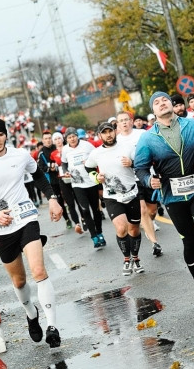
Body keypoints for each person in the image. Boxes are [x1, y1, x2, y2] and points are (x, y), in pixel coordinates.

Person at [0, 117, 65, 348]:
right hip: (0, 228)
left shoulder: (20, 156)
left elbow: (38, 175)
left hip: (26, 218)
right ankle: (31, 314)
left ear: (6, 135)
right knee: (19, 281)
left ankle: (52, 327)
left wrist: (52, 199)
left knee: (39, 270)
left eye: (1, 135)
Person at [135, 91, 194, 305]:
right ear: (153, 110)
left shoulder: (192, 125)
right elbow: (140, 168)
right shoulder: (147, 138)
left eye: (164, 100)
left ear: (171, 104)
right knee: (189, 240)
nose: (161, 103)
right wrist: (150, 181)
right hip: (172, 195)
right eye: (156, 102)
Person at [85, 121, 145, 275]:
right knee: (121, 228)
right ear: (100, 135)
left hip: (131, 193)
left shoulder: (127, 147)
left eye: (110, 131)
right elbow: (89, 167)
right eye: (104, 132)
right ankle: (127, 259)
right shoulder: (96, 153)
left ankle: (136, 258)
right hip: (112, 196)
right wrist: (96, 177)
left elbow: (141, 164)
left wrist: (131, 163)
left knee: (134, 229)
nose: (108, 135)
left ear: (115, 132)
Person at [115, 110, 162, 258]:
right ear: (117, 124)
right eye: (121, 120)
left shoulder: (142, 134)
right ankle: (155, 243)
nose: (124, 122)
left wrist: (133, 163)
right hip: (131, 180)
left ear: (131, 121)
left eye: (126, 119)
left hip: (147, 175)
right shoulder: (116, 141)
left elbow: (153, 153)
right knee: (142, 210)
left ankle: (147, 224)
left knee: (152, 211)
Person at [61, 128, 105, 248]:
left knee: (95, 210)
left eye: (74, 136)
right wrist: (65, 171)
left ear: (77, 136)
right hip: (77, 184)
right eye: (69, 137)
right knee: (85, 210)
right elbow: (64, 163)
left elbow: (97, 158)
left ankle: (100, 233)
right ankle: (94, 236)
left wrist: (90, 161)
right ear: (66, 139)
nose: (72, 139)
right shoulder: (65, 149)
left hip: (91, 182)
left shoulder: (87, 146)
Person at [37, 132, 73, 229]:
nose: (48, 140)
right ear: (43, 140)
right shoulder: (41, 153)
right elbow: (41, 167)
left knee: (69, 196)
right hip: (52, 180)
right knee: (59, 200)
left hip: (63, 176)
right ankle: (67, 219)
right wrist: (50, 167)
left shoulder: (57, 147)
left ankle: (75, 214)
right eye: (46, 139)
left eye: (49, 138)